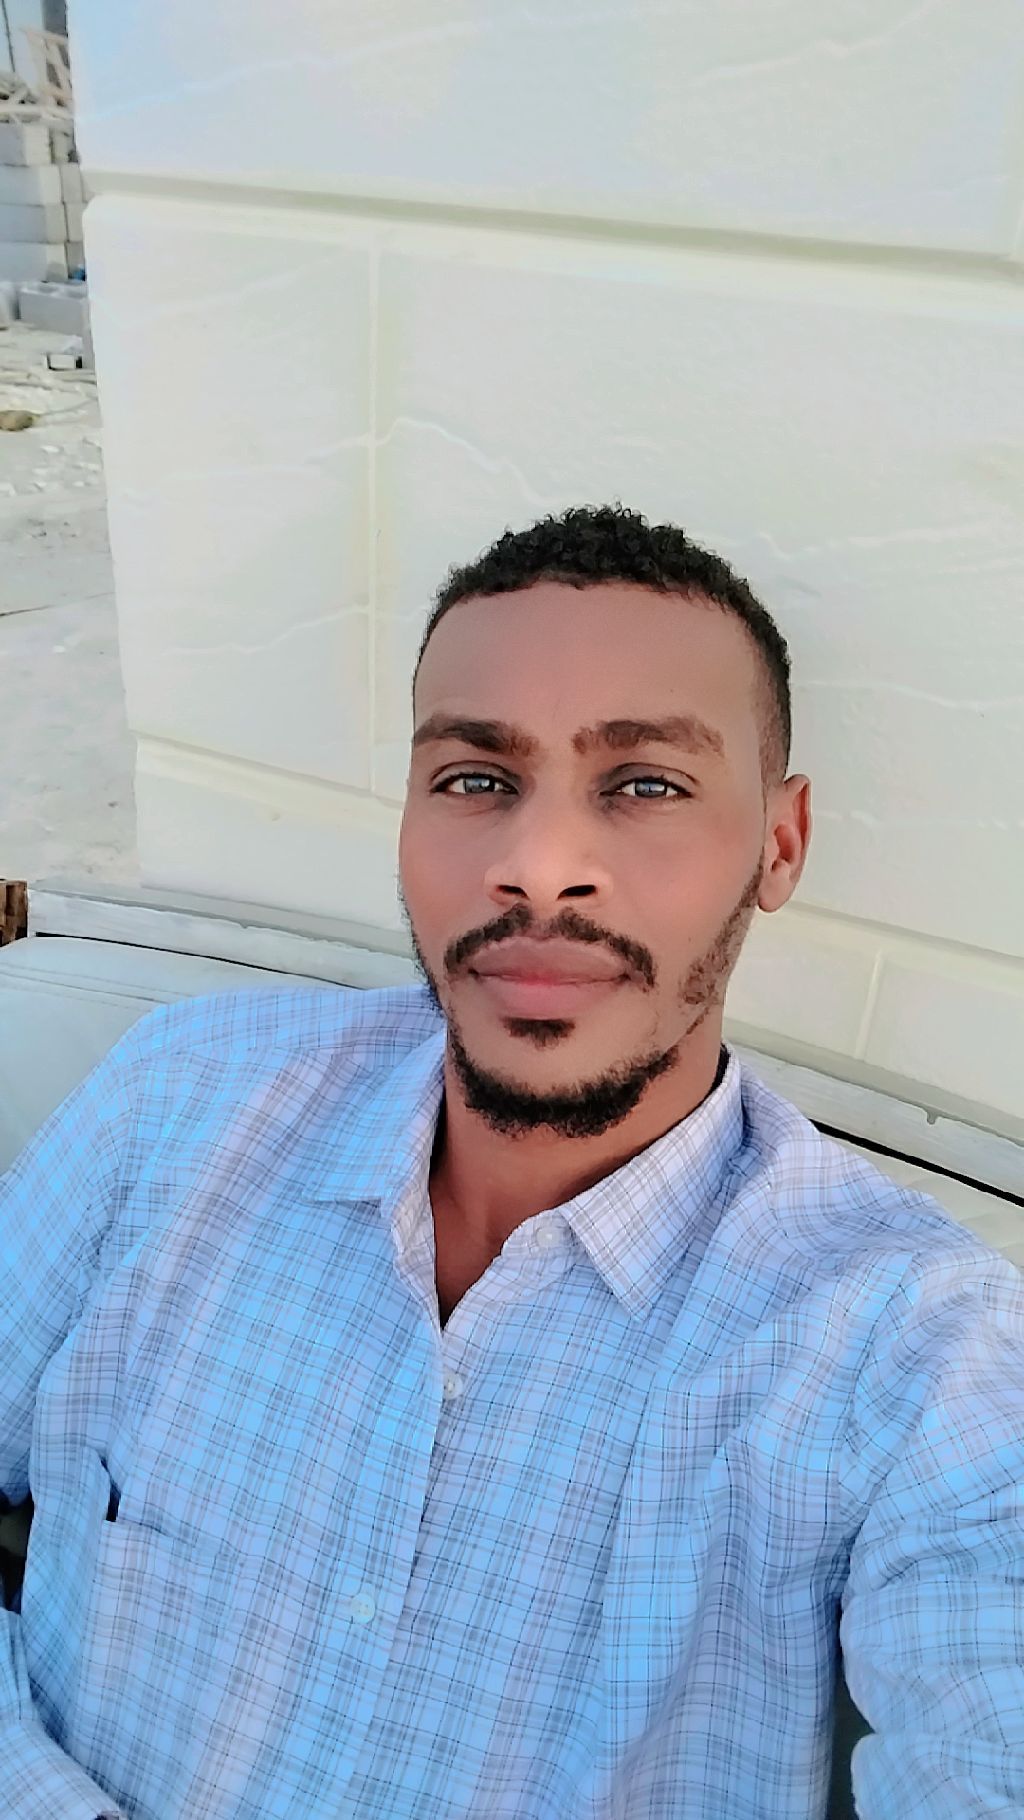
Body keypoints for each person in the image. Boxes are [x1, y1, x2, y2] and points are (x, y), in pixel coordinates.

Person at [1, 504, 1022, 1820]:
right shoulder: (177, 1104)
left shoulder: (914, 1343)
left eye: (645, 784)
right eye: (477, 779)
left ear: (780, 843)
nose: (538, 869)